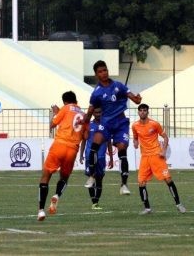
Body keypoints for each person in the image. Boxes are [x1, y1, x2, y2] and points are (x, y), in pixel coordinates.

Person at [83, 60, 142, 195]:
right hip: (105, 124)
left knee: (122, 149)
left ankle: (124, 185)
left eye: (105, 70)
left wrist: (138, 99)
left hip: (121, 123)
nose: (103, 73)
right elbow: (90, 111)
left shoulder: (118, 85)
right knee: (94, 145)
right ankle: (92, 176)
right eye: (100, 71)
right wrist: (83, 121)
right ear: (96, 74)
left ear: (107, 71)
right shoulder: (96, 93)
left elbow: (134, 99)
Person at [37, 90, 86, 221]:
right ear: (76, 100)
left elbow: (53, 125)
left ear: (65, 101)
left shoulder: (65, 108)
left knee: (46, 176)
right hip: (73, 149)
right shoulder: (84, 115)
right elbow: (85, 136)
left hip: (59, 145)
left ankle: (41, 210)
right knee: (64, 177)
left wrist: (56, 113)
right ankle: (57, 195)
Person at [132, 103, 186, 214]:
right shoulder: (135, 126)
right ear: (138, 112)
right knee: (141, 182)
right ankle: (147, 208)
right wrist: (135, 143)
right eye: (141, 110)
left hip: (156, 155)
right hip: (145, 157)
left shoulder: (154, 124)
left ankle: (178, 204)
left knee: (168, 179)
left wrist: (164, 150)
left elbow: (165, 137)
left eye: (144, 110)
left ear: (147, 112)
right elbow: (135, 138)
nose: (142, 112)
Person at [79, 107, 114, 210]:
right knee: (90, 178)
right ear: (93, 113)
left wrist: (111, 158)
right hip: (90, 156)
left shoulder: (106, 125)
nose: (98, 114)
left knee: (99, 180)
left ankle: (96, 202)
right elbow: (84, 140)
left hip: (101, 157)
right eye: (96, 112)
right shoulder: (89, 125)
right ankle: (93, 202)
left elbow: (109, 143)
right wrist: (81, 155)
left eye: (100, 112)